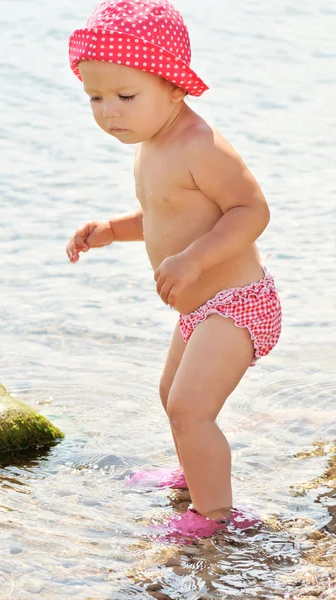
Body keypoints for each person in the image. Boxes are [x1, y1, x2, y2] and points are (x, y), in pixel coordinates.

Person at [66, 0, 282, 538]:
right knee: (172, 397)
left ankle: (217, 516)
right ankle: (194, 474)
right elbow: (170, 212)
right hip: (199, 305)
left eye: (125, 95)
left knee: (190, 406)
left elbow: (251, 211)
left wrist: (193, 260)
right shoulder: (152, 142)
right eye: (95, 97)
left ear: (175, 86)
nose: (108, 111)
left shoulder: (199, 145)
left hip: (238, 302)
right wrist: (114, 229)